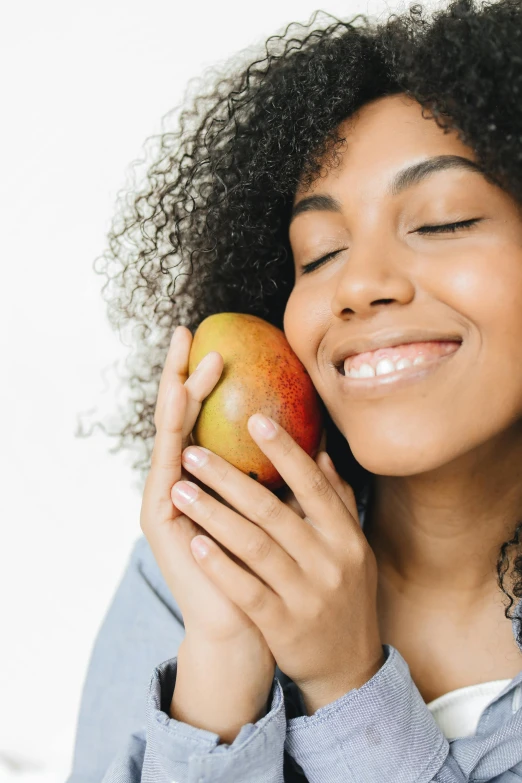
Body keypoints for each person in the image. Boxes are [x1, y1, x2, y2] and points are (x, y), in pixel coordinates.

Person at [67, 0, 522, 779]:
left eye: (443, 221)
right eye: (319, 252)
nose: (359, 284)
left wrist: (347, 681)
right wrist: (221, 654)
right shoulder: (194, 570)